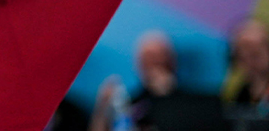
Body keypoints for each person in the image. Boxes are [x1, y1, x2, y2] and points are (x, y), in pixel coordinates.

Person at [92, 31, 230, 131]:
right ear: (138, 65)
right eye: (147, 58)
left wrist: (167, 94)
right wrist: (102, 108)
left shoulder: (203, 103)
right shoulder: (128, 106)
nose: (153, 62)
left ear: (172, 61)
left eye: (159, 56)